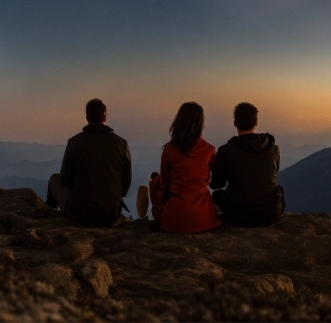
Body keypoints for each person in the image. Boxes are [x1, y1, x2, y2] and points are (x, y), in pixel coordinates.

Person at [136, 102, 221, 233]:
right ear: (200, 124)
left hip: (174, 217)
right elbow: (211, 178)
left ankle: (151, 216)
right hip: (203, 218)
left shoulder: (169, 150)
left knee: (154, 182)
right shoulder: (210, 150)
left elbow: (165, 185)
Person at [46, 98, 132, 227]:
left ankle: (50, 218)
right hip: (111, 217)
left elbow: (65, 179)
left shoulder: (74, 143)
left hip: (81, 215)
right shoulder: (121, 144)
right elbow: (126, 182)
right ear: (105, 116)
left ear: (87, 117)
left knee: (54, 179)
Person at [210, 102, 284, 227]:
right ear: (256, 122)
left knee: (217, 195)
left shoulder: (226, 150)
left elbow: (217, 184)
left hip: (240, 216)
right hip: (271, 214)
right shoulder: (273, 149)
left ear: (235, 123)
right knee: (280, 190)